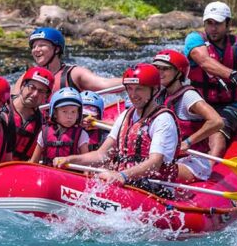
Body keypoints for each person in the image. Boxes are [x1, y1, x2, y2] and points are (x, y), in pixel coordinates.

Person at [53, 63, 185, 194]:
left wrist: (122, 175)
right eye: (130, 88)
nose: (133, 94)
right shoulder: (126, 115)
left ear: (155, 90)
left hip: (155, 189)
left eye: (139, 88)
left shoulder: (163, 120)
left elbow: (154, 163)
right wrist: (70, 159)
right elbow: (102, 154)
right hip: (128, 184)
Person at [184, 1, 237, 153]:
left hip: (229, 106)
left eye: (217, 23)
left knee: (217, 134)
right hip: (197, 103)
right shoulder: (194, 40)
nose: (213, 28)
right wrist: (232, 74)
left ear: (228, 23)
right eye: (209, 23)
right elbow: (204, 61)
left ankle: (210, 171)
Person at [152, 49, 225, 182]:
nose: (159, 72)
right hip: (168, 157)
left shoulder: (188, 96)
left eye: (165, 69)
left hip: (193, 161)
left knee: (153, 171)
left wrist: (187, 142)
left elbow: (217, 121)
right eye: (156, 68)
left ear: (178, 72)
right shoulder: (159, 95)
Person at [15, 27, 123, 94]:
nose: (36, 50)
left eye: (42, 45)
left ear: (56, 49)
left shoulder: (74, 74)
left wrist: (132, 80)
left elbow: (105, 84)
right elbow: (12, 103)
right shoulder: (27, 76)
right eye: (34, 47)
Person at [30, 87, 90, 165]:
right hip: (48, 173)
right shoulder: (44, 133)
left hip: (70, 175)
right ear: (55, 113)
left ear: (78, 114)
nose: (69, 116)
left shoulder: (81, 135)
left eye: (73, 112)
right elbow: (34, 161)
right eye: (64, 111)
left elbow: (86, 162)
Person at [9, 66, 53, 161]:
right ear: (22, 86)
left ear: (46, 97)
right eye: (32, 87)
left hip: (19, 172)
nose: (35, 94)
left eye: (41, 91)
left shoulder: (43, 126)